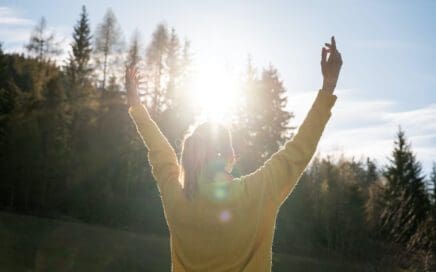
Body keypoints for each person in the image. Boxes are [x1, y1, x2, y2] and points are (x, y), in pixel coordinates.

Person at [127, 36, 342, 272]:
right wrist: (328, 86)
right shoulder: (259, 191)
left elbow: (162, 154)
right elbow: (299, 149)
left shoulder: (177, 200)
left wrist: (136, 106)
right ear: (230, 156)